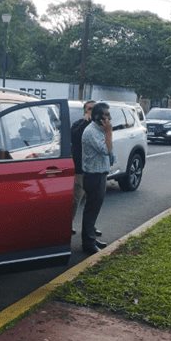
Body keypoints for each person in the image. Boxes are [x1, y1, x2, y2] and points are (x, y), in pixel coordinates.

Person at [81, 102, 114, 254]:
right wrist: (109, 132)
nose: (109, 118)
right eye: (106, 115)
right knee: (91, 209)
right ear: (97, 116)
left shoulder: (99, 130)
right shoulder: (91, 132)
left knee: (95, 209)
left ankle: (92, 237)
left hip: (100, 173)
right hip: (93, 175)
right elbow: (106, 150)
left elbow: (110, 152)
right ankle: (88, 243)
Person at [71, 100, 102, 236]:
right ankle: (68, 224)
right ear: (85, 110)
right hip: (81, 170)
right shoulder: (79, 124)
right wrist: (86, 122)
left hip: (95, 170)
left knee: (93, 202)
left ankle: (90, 227)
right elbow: (75, 136)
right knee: (75, 199)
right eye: (89, 109)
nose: (91, 111)